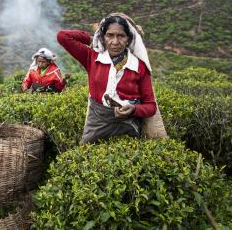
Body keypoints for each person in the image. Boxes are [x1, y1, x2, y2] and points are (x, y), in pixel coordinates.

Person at [57, 12, 157, 144]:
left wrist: (134, 109)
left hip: (128, 128)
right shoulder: (92, 58)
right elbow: (63, 36)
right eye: (110, 35)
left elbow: (150, 106)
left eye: (121, 36)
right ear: (103, 37)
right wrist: (93, 38)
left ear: (128, 39)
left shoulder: (139, 67)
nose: (115, 42)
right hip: (96, 126)